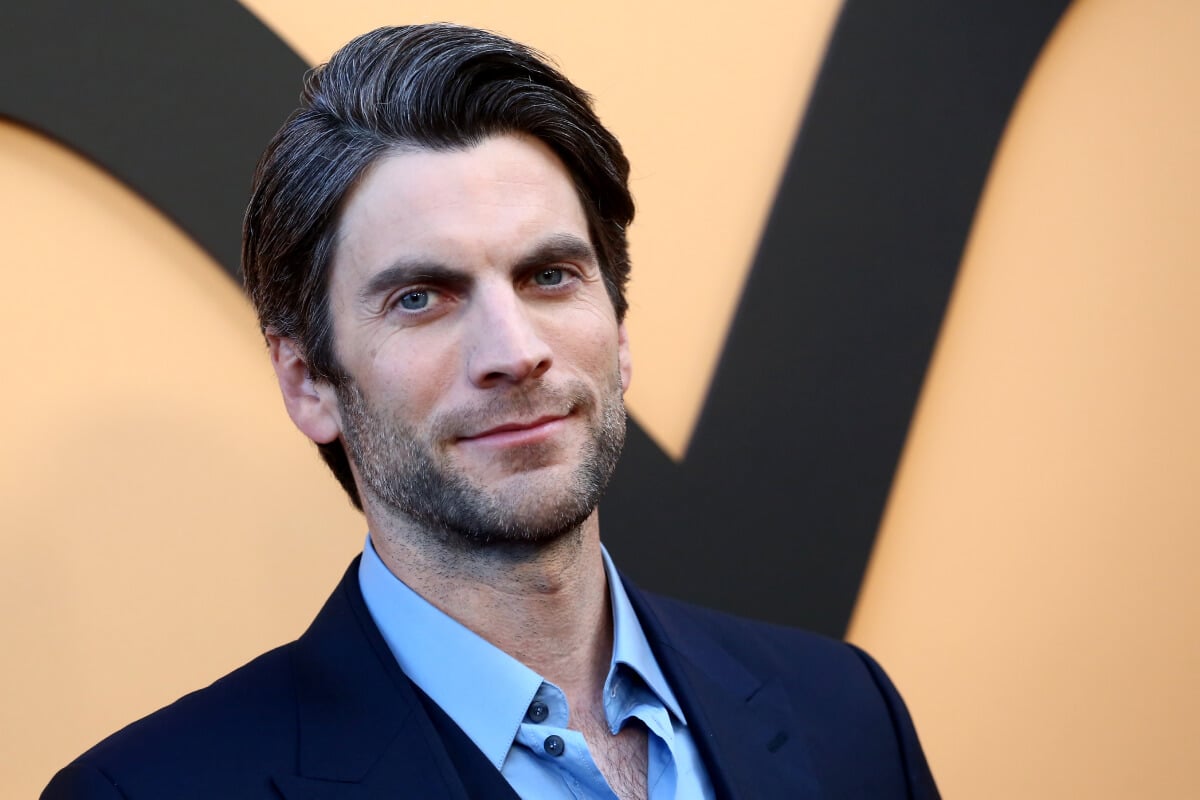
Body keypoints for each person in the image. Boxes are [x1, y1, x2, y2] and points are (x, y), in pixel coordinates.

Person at [43, 24, 938, 799]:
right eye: (423, 298)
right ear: (308, 381)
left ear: (619, 329)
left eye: (550, 276)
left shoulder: (847, 713)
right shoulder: (146, 799)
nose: (514, 353)